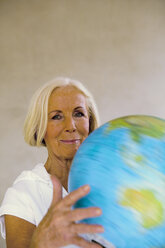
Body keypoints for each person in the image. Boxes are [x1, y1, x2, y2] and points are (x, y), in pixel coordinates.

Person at [0, 77, 104, 248]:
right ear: (40, 129)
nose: (71, 126)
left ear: (90, 123)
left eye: (79, 114)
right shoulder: (23, 193)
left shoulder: (111, 182)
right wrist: (40, 243)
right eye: (56, 116)